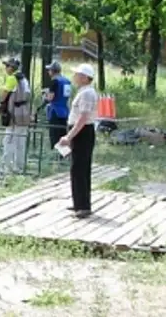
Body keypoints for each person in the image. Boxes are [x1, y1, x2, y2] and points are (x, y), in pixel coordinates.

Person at [58, 63, 98, 219]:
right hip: (81, 132)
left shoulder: (87, 93)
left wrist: (69, 136)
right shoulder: (84, 92)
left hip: (83, 133)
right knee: (77, 168)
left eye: (77, 74)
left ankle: (83, 206)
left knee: (79, 168)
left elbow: (83, 118)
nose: (74, 77)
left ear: (84, 77)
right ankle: (79, 202)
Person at [0, 58, 31, 177]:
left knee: (9, 140)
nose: (6, 68)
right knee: (21, 141)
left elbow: (5, 93)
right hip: (24, 113)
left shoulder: (12, 78)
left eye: (7, 66)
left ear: (11, 68)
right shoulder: (24, 79)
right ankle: (19, 167)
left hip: (14, 114)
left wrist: (0, 104)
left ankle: (6, 168)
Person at [44, 61, 71, 150]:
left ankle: (55, 157)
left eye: (49, 70)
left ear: (53, 71)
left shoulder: (55, 81)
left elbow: (50, 97)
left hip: (55, 112)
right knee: (63, 135)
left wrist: (45, 96)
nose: (48, 72)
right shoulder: (67, 81)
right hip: (65, 111)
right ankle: (63, 156)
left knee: (54, 136)